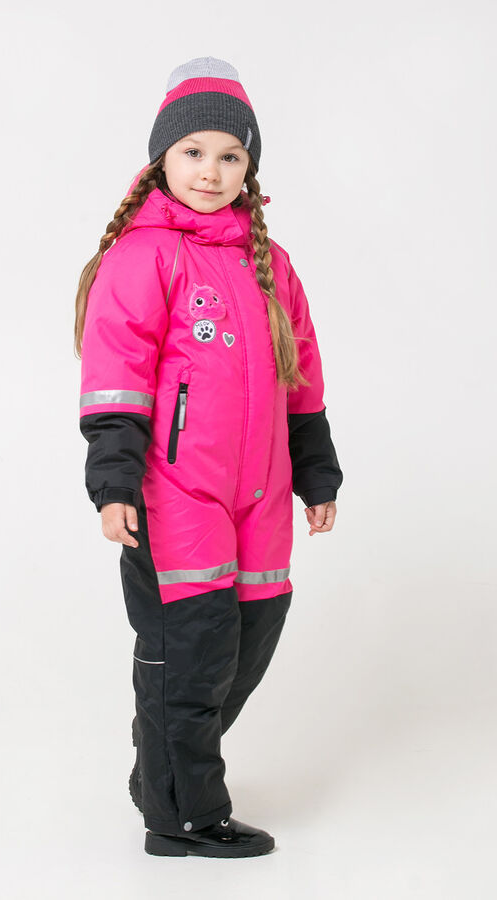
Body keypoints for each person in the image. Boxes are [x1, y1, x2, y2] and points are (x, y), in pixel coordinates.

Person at [74, 56, 344, 859]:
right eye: (193, 152)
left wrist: (316, 473)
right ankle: (183, 813)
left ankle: (162, 766)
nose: (210, 171)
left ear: (247, 167)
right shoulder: (145, 256)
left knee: (248, 641)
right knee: (191, 653)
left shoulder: (271, 264)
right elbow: (116, 377)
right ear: (162, 156)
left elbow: (302, 377)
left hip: (259, 494)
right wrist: (114, 483)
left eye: (230, 156)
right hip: (174, 494)